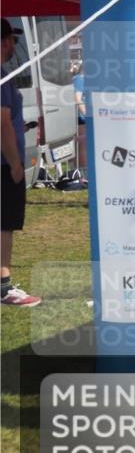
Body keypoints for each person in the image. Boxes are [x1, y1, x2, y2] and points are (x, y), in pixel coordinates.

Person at [1, 19, 41, 307]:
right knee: (5, 225)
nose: (15, 46)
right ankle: (4, 287)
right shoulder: (3, 77)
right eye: (12, 40)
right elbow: (2, 122)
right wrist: (15, 163)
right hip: (4, 166)